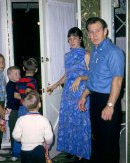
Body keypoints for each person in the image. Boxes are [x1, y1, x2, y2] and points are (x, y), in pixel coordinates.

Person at [78, 17, 125, 163]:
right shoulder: (95, 50)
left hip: (108, 99)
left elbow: (117, 80)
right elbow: (94, 78)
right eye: (91, 32)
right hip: (96, 99)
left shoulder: (114, 52)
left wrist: (110, 105)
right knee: (98, 139)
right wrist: (84, 95)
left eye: (97, 31)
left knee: (109, 143)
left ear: (105, 31)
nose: (94, 35)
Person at [47, 27, 91, 161]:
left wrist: (80, 78)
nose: (72, 41)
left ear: (80, 39)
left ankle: (82, 152)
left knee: (80, 122)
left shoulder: (86, 54)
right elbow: (67, 75)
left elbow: (92, 75)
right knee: (69, 122)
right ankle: (72, 149)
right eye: (69, 39)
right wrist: (54, 85)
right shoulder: (67, 55)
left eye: (75, 38)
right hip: (68, 93)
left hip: (82, 92)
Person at [10, 58, 39, 161]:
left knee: (20, 131)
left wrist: (22, 98)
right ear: (36, 70)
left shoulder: (20, 81)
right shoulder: (33, 80)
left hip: (21, 108)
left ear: (23, 68)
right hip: (30, 108)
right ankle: (32, 150)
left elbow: (15, 95)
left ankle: (15, 154)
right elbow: (28, 90)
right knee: (33, 130)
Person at [12, 91, 53, 163]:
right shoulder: (44, 120)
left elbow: (15, 135)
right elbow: (49, 137)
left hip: (25, 150)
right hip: (39, 150)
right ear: (39, 105)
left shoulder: (21, 119)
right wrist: (48, 144)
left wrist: (21, 139)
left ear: (25, 105)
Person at [5, 66, 21, 161]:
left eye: (19, 73)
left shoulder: (17, 84)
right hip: (13, 110)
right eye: (16, 74)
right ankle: (14, 150)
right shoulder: (10, 85)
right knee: (14, 130)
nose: (18, 75)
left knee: (19, 130)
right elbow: (12, 99)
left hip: (18, 109)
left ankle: (17, 149)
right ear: (9, 76)